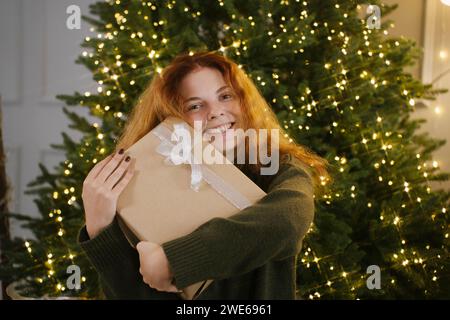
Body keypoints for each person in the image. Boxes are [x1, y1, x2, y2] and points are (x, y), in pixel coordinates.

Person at [78, 51, 329, 299]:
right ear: (171, 120)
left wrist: (175, 260)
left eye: (226, 96)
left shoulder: (277, 167)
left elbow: (288, 221)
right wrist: (100, 228)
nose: (215, 112)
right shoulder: (145, 192)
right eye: (195, 105)